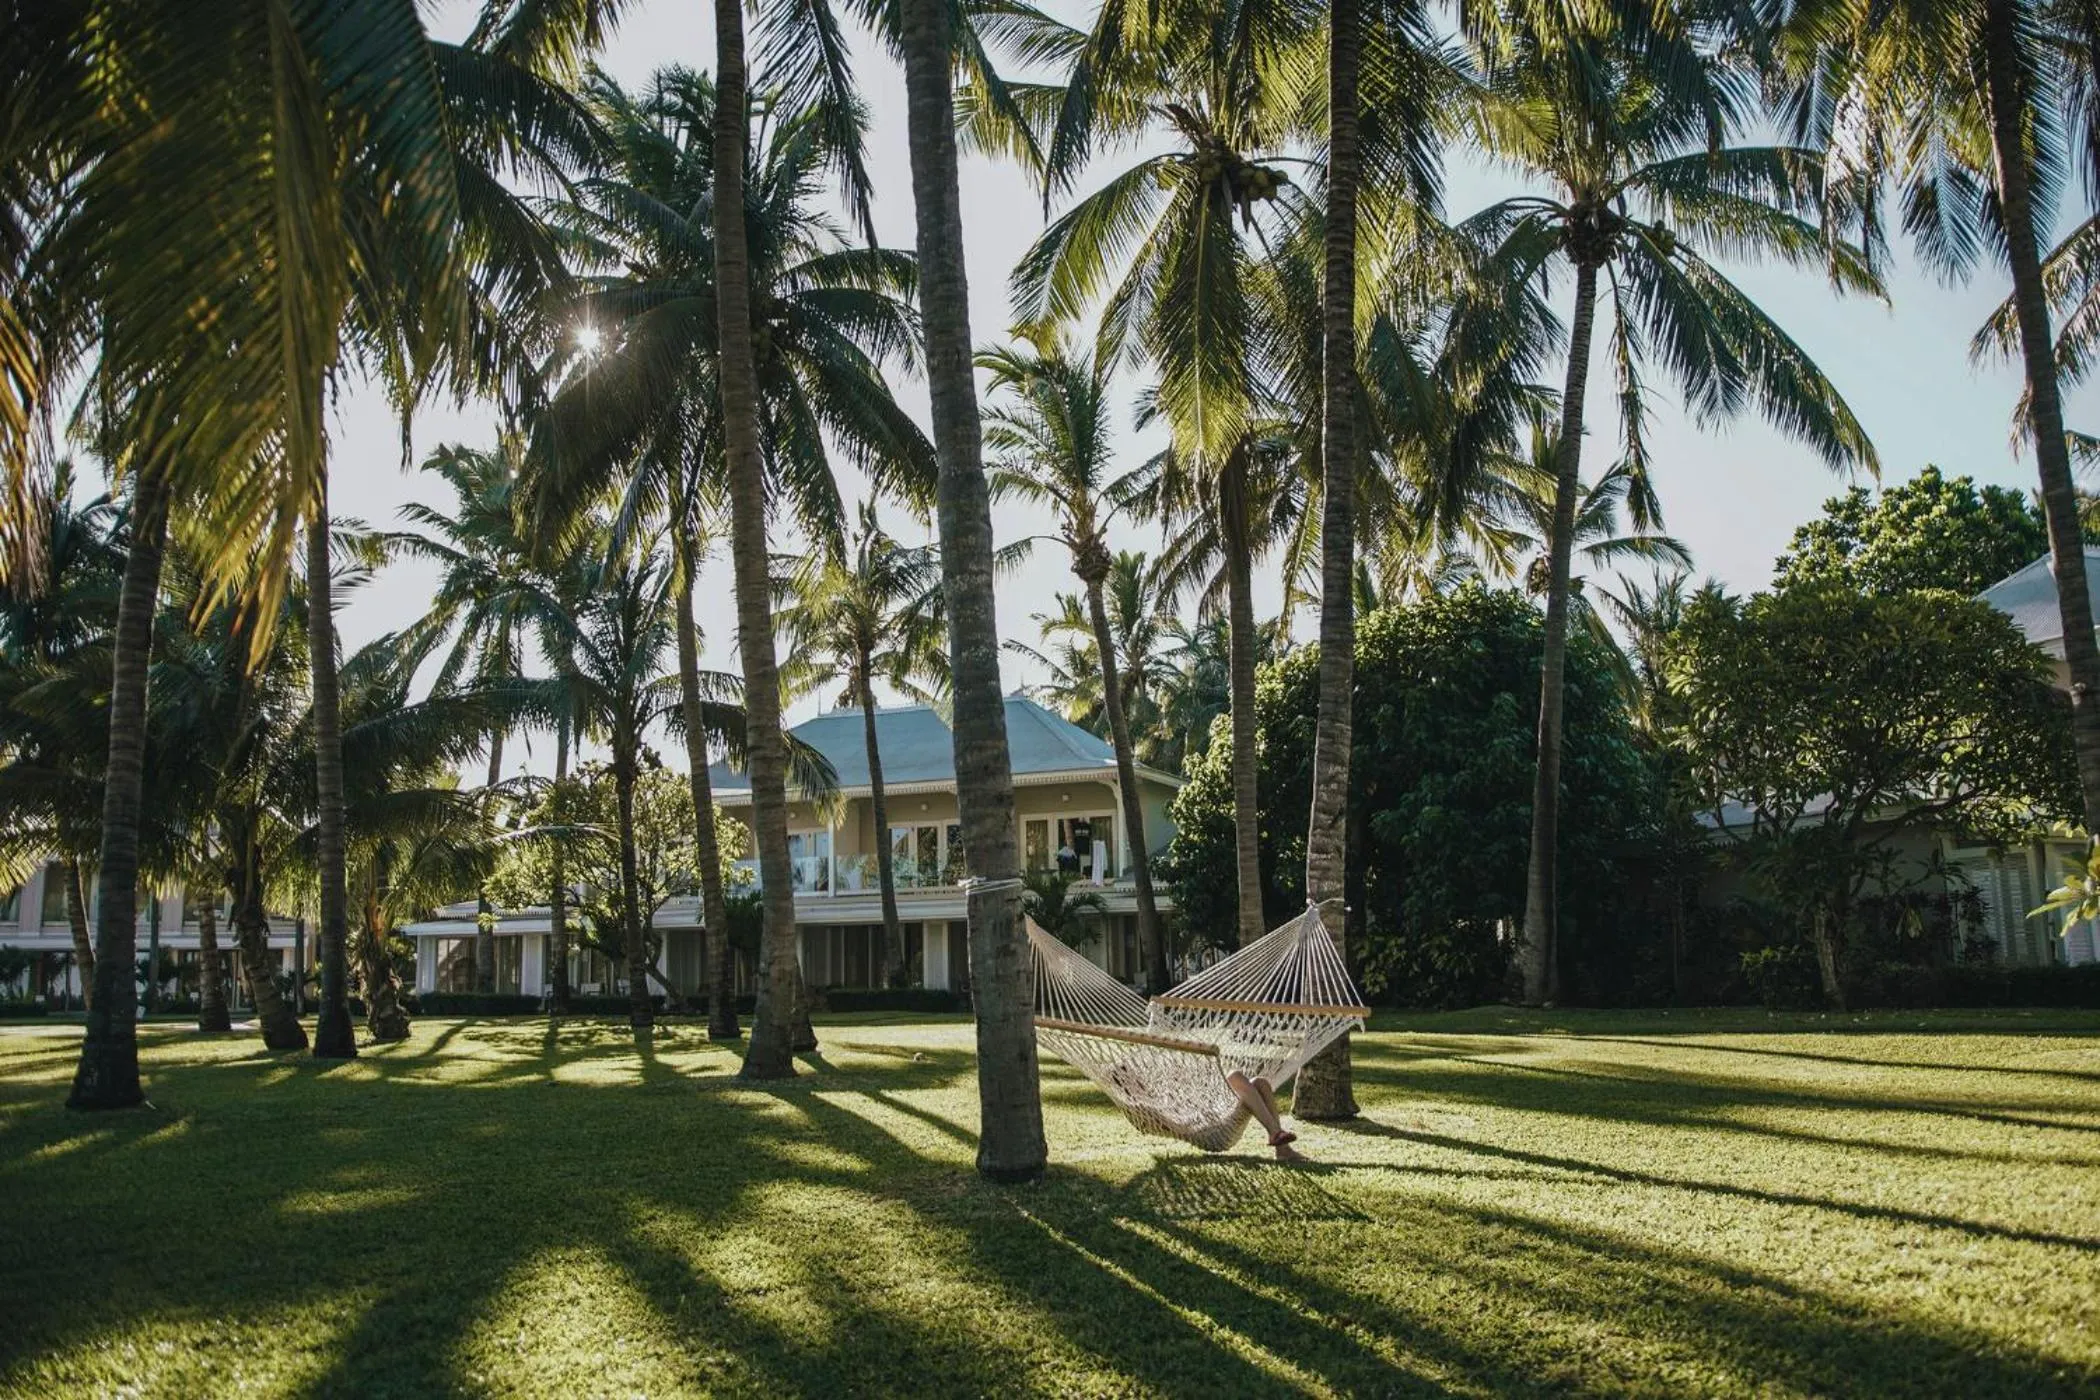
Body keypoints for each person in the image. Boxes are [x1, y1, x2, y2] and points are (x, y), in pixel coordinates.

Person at [1226, 1070, 1302, 1162]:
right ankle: (1276, 1133)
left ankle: (1282, 1148)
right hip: (1214, 1127)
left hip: (1226, 1116)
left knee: (1260, 1083)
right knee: (1235, 1076)